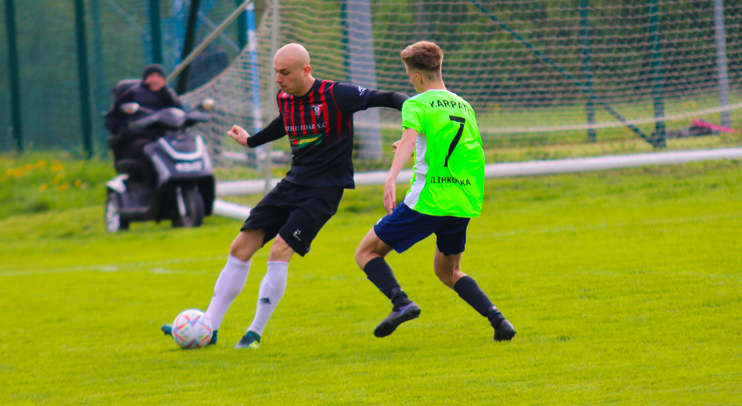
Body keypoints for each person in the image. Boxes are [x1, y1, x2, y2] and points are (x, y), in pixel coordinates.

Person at [162, 43, 409, 348]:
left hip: (324, 190)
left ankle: (254, 333)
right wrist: (252, 141)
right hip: (292, 183)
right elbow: (285, 122)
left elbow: (389, 97)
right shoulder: (285, 97)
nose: (278, 79)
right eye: (276, 72)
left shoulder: (337, 94)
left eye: (285, 72)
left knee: (279, 249)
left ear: (306, 70)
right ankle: (209, 327)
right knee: (241, 246)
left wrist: (415, 118)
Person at [353, 41, 516, 342]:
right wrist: (413, 147)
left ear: (415, 76)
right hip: (461, 199)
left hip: (427, 200)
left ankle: (401, 303)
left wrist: (391, 177)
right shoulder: (463, 105)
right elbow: (460, 150)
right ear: (439, 67)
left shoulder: (416, 103)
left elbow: (409, 137)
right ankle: (499, 321)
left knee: (366, 252)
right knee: (448, 271)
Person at [104, 63, 182, 184]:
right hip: (140, 138)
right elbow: (113, 118)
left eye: (159, 76)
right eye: (152, 76)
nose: (155, 79)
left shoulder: (168, 94)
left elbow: (179, 113)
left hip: (165, 138)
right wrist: (125, 131)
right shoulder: (132, 93)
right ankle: (153, 185)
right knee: (148, 149)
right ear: (145, 78)